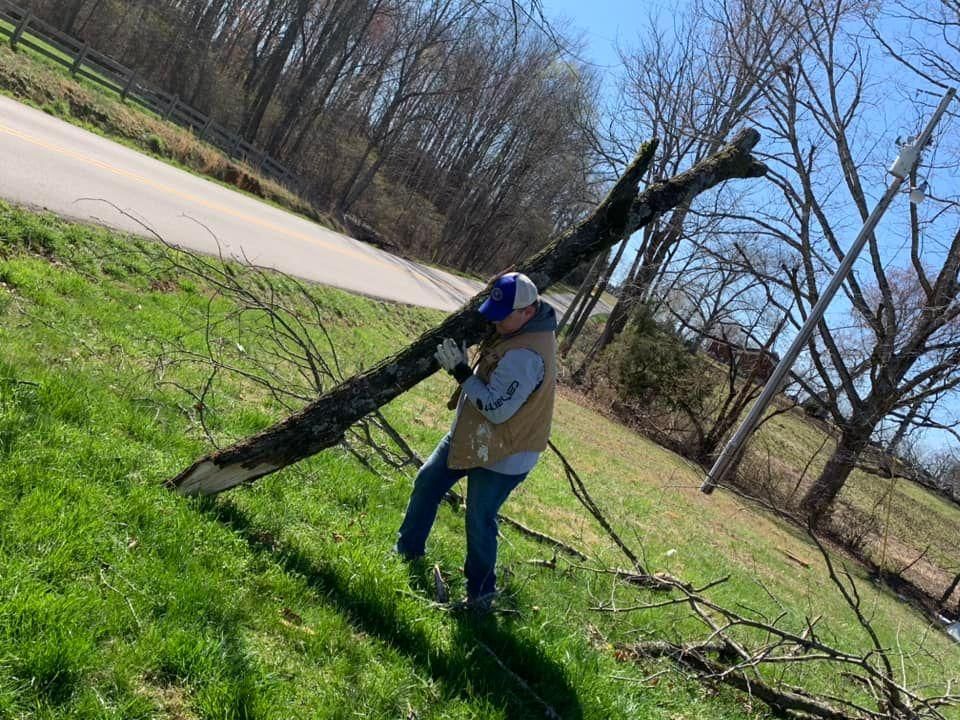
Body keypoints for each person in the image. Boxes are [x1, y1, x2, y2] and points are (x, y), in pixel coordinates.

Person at [395, 272, 558, 610]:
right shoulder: (516, 327)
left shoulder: (527, 356)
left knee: (479, 517)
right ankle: (407, 551)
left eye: (503, 316)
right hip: (474, 437)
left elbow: (497, 410)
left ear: (527, 312)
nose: (494, 322)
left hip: (507, 452)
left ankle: (481, 593)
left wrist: (461, 372)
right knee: (428, 481)